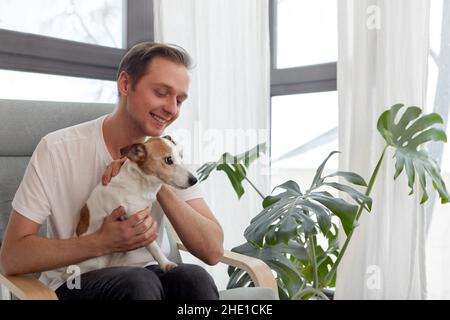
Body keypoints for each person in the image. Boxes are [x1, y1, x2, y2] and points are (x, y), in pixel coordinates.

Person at [0, 42, 224, 300]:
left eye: (180, 100)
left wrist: (149, 175)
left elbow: (212, 250)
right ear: (126, 85)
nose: (172, 109)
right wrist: (101, 242)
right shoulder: (57, 149)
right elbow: (12, 257)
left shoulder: (167, 156)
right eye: (161, 93)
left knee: (193, 278)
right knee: (137, 283)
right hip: (75, 280)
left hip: (148, 276)